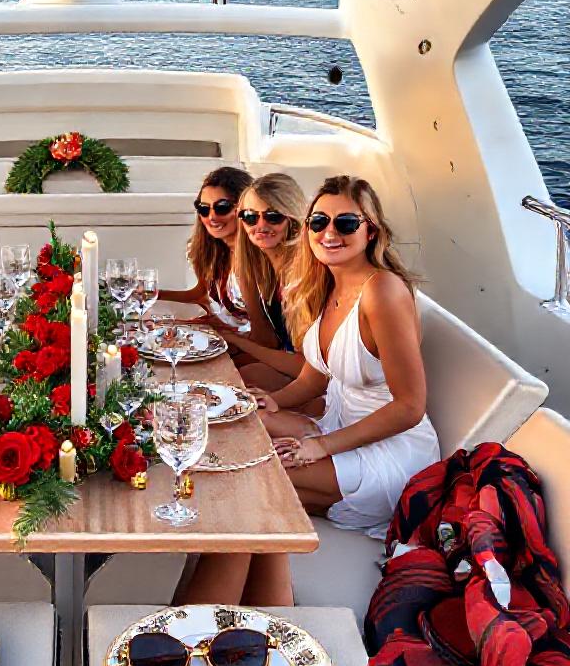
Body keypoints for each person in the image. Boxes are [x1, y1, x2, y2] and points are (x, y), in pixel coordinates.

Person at [177, 175, 439, 607]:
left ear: (371, 230)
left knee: (249, 483)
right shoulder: (328, 284)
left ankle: (207, 614)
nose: (329, 233)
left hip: (389, 452)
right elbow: (316, 377)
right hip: (339, 426)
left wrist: (320, 446)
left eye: (345, 223)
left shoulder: (383, 291)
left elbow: (410, 407)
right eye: (319, 222)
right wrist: (274, 401)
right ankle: (258, 613)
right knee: (231, 428)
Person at [222, 173, 310, 392]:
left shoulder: (303, 274)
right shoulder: (259, 266)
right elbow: (265, 338)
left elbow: (306, 367)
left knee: (240, 382)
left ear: (292, 219)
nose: (260, 225)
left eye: (273, 216)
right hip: (291, 369)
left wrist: (237, 341)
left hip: (321, 386)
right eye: (250, 217)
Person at [157, 165, 253, 328]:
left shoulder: (260, 257)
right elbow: (201, 295)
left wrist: (225, 331)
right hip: (227, 335)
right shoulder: (212, 251)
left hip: (246, 340)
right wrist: (149, 295)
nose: (211, 217)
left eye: (222, 207)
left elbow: (266, 330)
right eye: (204, 208)